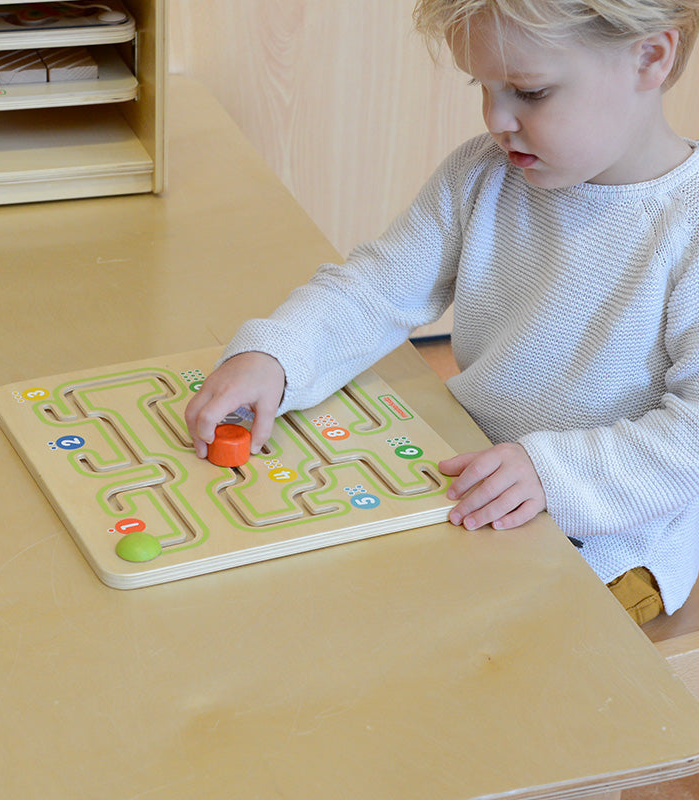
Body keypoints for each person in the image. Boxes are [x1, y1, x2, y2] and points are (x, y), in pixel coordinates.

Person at [186, 0, 699, 623]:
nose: (496, 119)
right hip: (467, 463)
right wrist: (278, 353)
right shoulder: (482, 174)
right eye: (482, 88)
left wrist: (551, 472)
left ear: (650, 56)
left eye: (528, 92)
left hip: (613, 531)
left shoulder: (687, 228)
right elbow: (376, 287)